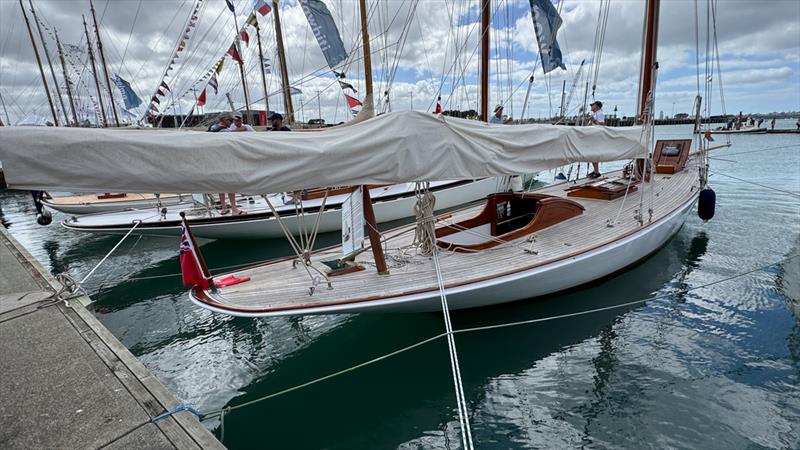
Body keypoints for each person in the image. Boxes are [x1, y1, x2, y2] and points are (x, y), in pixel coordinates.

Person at [586, 101, 605, 178]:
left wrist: (593, 120)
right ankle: (595, 170)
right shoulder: (595, 114)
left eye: (592, 105)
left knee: (594, 154)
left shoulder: (599, 114)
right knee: (592, 154)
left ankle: (597, 172)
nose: (591, 106)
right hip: (592, 136)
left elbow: (602, 125)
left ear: (597, 106)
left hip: (596, 136)